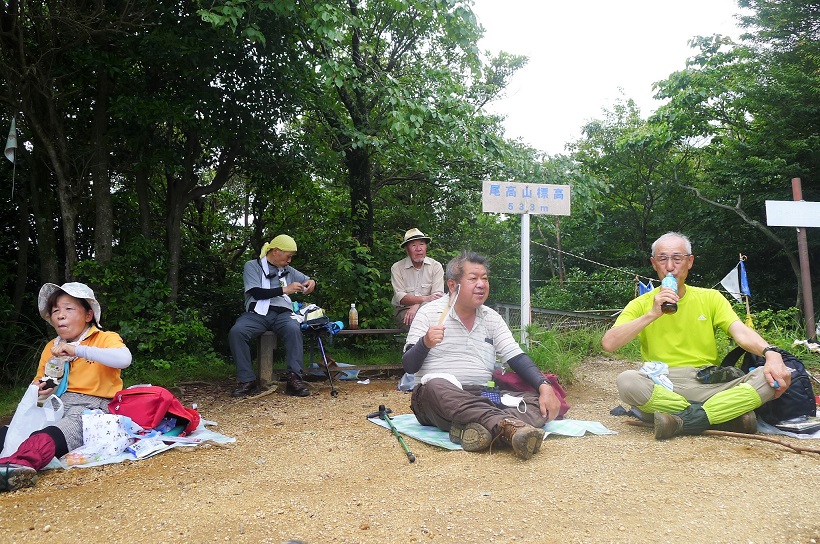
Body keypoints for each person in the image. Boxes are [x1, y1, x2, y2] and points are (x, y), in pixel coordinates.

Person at [601, 231, 791, 439]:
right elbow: (610, 343)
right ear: (654, 264)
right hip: (663, 384)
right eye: (662, 259)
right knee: (627, 381)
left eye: (677, 258)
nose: (670, 267)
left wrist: (771, 353)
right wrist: (652, 314)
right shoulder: (641, 304)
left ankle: (679, 420)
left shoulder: (710, 298)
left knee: (769, 378)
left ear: (689, 262)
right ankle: (722, 415)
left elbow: (740, 332)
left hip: (709, 382)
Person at [402, 252, 562, 459]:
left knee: (534, 402)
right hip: (438, 396)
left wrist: (544, 386)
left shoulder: (492, 318)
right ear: (452, 285)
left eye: (484, 278)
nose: (481, 284)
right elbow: (409, 366)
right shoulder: (428, 313)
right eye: (473, 278)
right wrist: (425, 343)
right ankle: (506, 426)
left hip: (482, 395)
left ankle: (476, 429)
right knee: (435, 386)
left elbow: (516, 357)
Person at [0, 282, 132, 492]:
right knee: (8, 433)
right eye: (55, 311)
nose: (61, 315)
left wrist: (78, 350)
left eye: (69, 309)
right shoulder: (51, 347)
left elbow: (124, 359)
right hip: (56, 405)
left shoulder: (104, 338)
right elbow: (42, 383)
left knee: (49, 435)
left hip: (91, 408)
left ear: (88, 315)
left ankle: (16, 467)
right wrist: (40, 391)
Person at [229, 234, 316, 398]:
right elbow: (256, 292)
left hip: (282, 313)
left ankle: (294, 380)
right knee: (237, 332)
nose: (289, 260)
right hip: (257, 314)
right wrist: (285, 289)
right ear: (276, 251)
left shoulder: (288, 270)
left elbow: (308, 280)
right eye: (288, 256)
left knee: (293, 329)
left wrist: (312, 283)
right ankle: (247, 380)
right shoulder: (252, 266)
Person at [391, 228, 445, 329]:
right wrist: (425, 299)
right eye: (413, 245)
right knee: (420, 320)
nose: (418, 249)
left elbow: (437, 297)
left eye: (421, 244)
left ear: (426, 247)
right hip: (405, 311)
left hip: (430, 309)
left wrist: (417, 305)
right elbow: (400, 297)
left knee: (440, 318)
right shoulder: (397, 268)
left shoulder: (436, 266)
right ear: (407, 249)